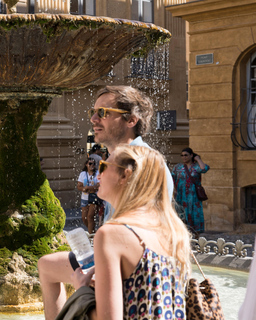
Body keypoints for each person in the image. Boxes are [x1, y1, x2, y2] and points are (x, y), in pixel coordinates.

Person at [38, 85, 174, 320]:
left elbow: (144, 238)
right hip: (130, 261)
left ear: (130, 120)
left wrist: (96, 274)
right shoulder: (131, 159)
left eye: (103, 112)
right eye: (93, 111)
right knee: (48, 265)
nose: (93, 118)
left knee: (49, 266)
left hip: (134, 270)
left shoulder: (138, 164)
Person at [58, 145, 191, 319]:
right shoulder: (171, 230)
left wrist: (82, 289)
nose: (99, 175)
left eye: (104, 166)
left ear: (125, 175)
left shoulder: (111, 234)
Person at [171, 147, 210, 236]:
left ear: (191, 155)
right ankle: (182, 239)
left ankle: (196, 239)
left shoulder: (196, 166)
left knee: (194, 217)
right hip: (181, 197)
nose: (184, 157)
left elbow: (204, 169)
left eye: (186, 155)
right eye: (182, 155)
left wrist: (198, 159)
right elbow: (171, 179)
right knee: (181, 217)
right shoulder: (178, 167)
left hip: (194, 197)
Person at [77, 159, 99, 234]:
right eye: (90, 163)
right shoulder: (83, 174)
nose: (92, 165)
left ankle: (91, 235)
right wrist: (84, 189)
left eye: (93, 164)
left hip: (94, 197)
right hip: (85, 198)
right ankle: (92, 231)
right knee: (84, 217)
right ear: (86, 164)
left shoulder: (97, 173)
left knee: (90, 216)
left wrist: (88, 188)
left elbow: (98, 186)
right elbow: (79, 186)